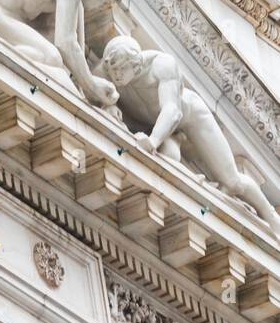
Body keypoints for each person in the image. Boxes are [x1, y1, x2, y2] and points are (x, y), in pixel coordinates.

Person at [97, 36, 280, 236]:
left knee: (232, 181)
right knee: (170, 158)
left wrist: (153, 141)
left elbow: (172, 110)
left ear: (135, 63)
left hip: (189, 119)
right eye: (113, 71)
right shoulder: (107, 71)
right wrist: (110, 105)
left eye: (121, 69)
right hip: (149, 124)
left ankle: (270, 216)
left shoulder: (162, 65)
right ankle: (173, 143)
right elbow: (89, 85)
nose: (116, 75)